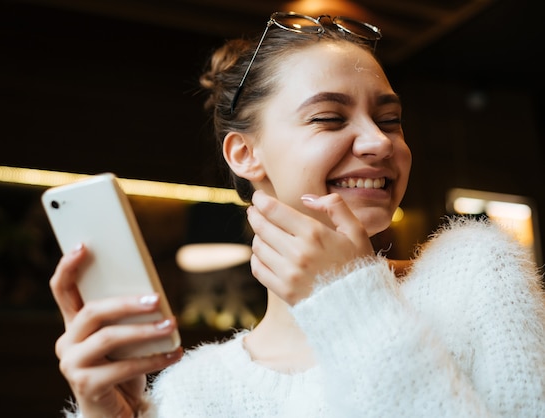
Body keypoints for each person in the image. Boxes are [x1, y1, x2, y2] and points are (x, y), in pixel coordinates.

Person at [50, 11, 545, 417]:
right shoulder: (191, 392)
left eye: (390, 120)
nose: (378, 141)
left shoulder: (478, 275)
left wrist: (349, 301)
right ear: (244, 154)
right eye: (329, 118)